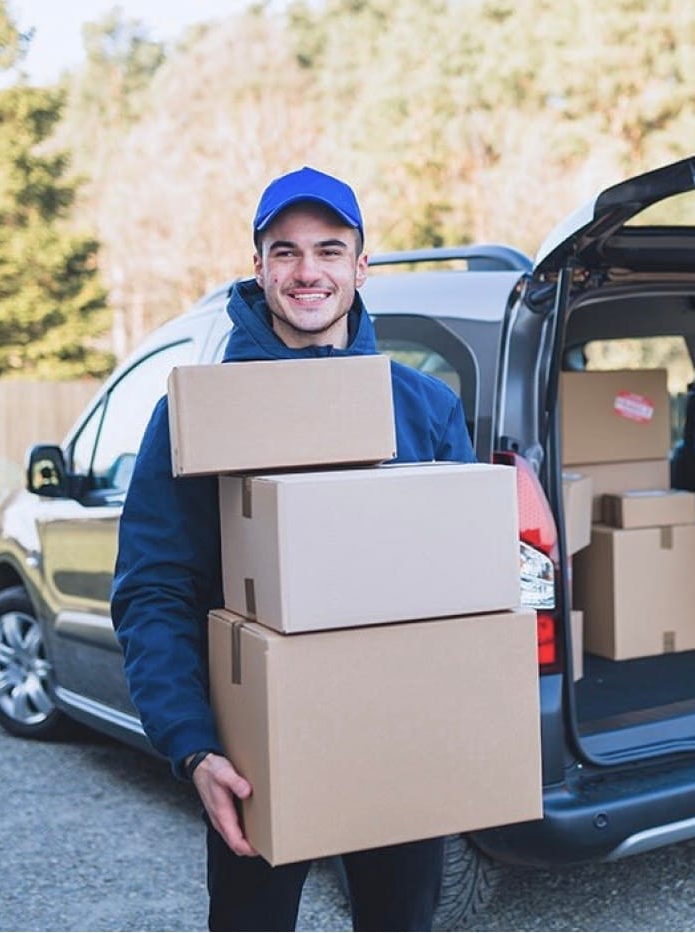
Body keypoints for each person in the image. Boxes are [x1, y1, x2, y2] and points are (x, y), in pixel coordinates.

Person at [111, 166, 475, 932]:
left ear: (360, 265)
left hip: (396, 738)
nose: (308, 271)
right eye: (285, 252)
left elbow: (462, 592)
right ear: (258, 267)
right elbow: (153, 590)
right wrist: (192, 746)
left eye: (329, 250)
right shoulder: (196, 414)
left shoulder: (425, 407)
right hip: (254, 754)